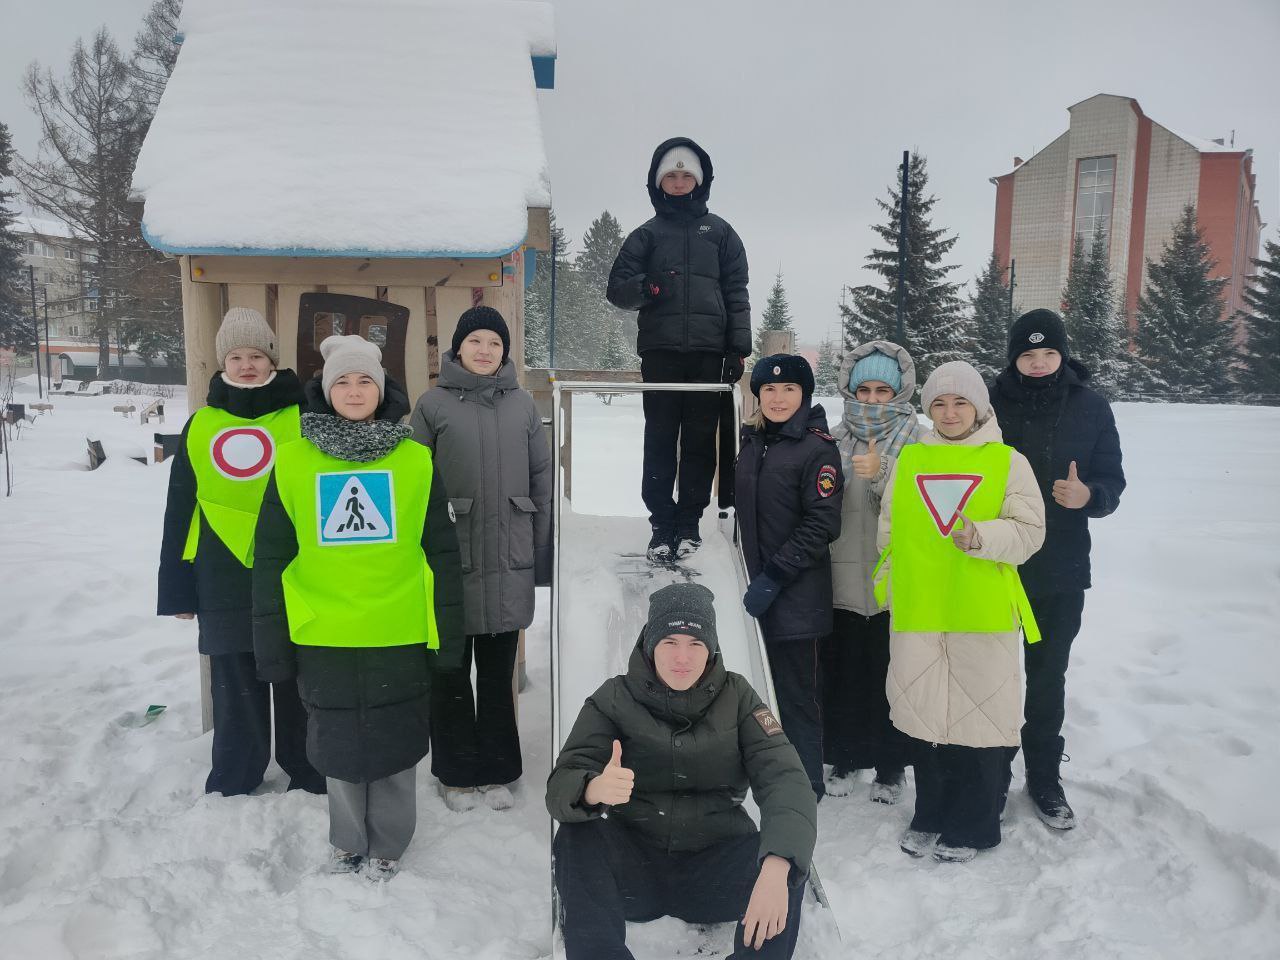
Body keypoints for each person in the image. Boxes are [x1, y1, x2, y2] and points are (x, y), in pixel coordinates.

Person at [252, 334, 464, 881]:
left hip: (399, 625)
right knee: (337, 741)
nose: (353, 389)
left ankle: (390, 843)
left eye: (364, 379)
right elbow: (273, 556)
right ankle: (348, 841)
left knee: (397, 740)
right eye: (341, 380)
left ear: (382, 388)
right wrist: (272, 643)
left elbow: (440, 550)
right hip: (323, 629)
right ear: (325, 390)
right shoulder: (294, 461)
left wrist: (448, 636)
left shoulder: (415, 460)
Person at [547, 583, 817, 960]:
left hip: (715, 872)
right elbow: (561, 784)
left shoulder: (739, 698)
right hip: (634, 873)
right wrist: (593, 789)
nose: (682, 657)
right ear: (650, 643)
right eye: (670, 641)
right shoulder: (613, 698)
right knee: (576, 836)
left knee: (785, 854)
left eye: (695, 643)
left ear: (711, 649)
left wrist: (776, 868)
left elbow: (786, 780)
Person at [876, 361, 1045, 863]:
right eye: (939, 404)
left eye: (960, 403)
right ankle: (929, 812)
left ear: (979, 408)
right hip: (920, 611)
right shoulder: (909, 461)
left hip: (981, 610)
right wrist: (891, 586)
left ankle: (974, 822)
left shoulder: (1007, 461)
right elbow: (889, 530)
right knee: (925, 716)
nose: (949, 413)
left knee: (979, 721)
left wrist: (982, 536)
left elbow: (1030, 532)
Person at [156, 306, 323, 797]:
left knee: (297, 675)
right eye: (235, 355)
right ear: (222, 362)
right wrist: (177, 586)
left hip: (292, 567)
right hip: (220, 571)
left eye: (256, 354)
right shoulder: (201, 423)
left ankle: (308, 767)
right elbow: (181, 507)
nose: (246, 365)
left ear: (272, 359)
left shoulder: (305, 416)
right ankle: (237, 771)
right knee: (234, 679)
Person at [409, 306, 552, 813]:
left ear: (505, 350)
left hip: (508, 555)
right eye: (475, 342)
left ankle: (498, 769)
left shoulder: (523, 407)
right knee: (449, 672)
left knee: (496, 675)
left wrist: (538, 548)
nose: (485, 351)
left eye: (494, 342)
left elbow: (542, 480)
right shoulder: (432, 405)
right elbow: (412, 481)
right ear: (458, 348)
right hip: (451, 556)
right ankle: (454, 771)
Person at [989, 309, 1126, 829]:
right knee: (996, 675)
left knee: (1048, 679)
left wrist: (1089, 495)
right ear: (1014, 358)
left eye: (1049, 353)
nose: (1040, 363)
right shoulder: (990, 403)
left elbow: (1112, 479)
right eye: (1028, 354)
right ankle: (992, 771)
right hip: (997, 565)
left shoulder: (1091, 407)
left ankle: (1043, 777)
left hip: (1061, 569)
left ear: (1063, 354)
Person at [606, 137, 751, 562]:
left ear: (700, 180)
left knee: (701, 440)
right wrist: (647, 287)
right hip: (661, 352)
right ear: (657, 181)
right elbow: (617, 289)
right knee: (661, 437)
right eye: (671, 175)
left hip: (710, 353)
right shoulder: (646, 235)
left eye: (687, 175)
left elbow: (736, 292)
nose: (679, 181)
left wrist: (737, 349)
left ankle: (689, 523)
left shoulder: (721, 233)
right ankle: (661, 524)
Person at [735, 354, 843, 798]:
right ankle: (765, 772)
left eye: (789, 390)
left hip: (796, 596)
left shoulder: (817, 449)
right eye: (769, 390)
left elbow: (823, 524)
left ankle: (805, 783)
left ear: (805, 395)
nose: (778, 398)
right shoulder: (755, 441)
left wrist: (774, 576)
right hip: (756, 588)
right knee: (757, 689)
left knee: (796, 695)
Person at [823, 341, 924, 802]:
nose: (872, 399)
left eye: (884, 390)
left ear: (900, 392)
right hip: (843, 574)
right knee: (846, 674)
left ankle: (890, 765)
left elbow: (926, 508)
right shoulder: (834, 437)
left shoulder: (920, 439)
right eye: (864, 389)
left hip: (894, 581)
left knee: (891, 676)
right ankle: (844, 757)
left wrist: (885, 472)